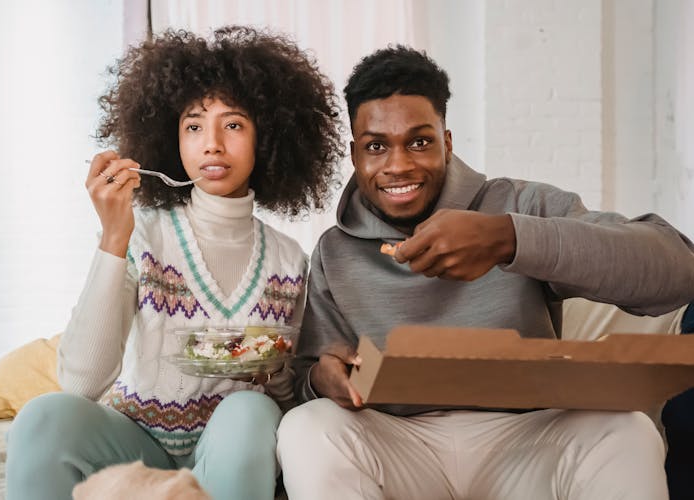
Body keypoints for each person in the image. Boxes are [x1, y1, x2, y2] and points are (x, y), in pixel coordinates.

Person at [276, 45, 694, 500]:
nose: (399, 165)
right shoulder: (334, 252)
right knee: (305, 427)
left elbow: (678, 270)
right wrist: (322, 379)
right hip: (397, 442)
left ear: (447, 142)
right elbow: (307, 378)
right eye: (377, 146)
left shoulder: (521, 207)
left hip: (528, 438)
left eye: (419, 141)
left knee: (627, 431)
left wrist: (508, 239)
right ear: (355, 154)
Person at [5, 26, 343, 500]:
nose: (212, 144)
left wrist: (271, 375)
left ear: (266, 136)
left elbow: (286, 400)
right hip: (132, 440)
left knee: (251, 409)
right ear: (171, 138)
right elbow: (81, 382)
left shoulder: (290, 262)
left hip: (228, 447)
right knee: (43, 415)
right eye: (193, 125)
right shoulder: (142, 232)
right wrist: (114, 237)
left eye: (233, 124)